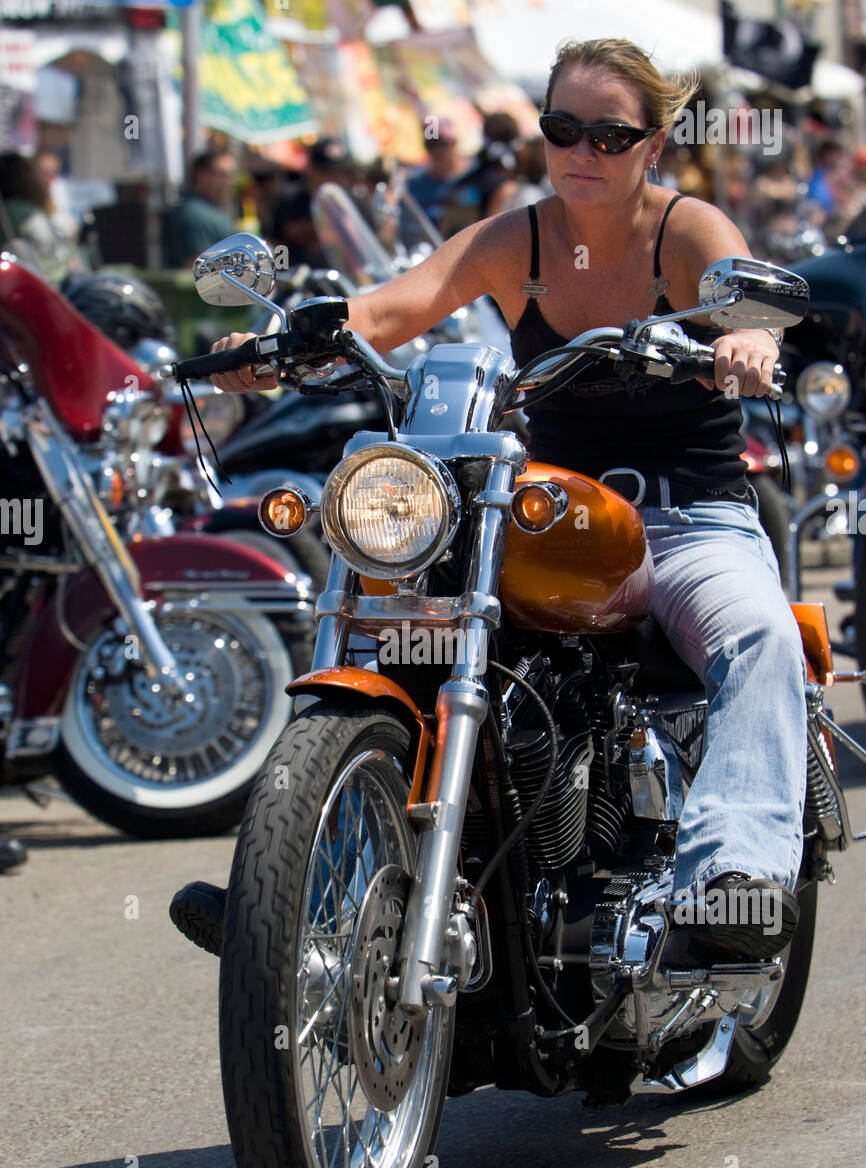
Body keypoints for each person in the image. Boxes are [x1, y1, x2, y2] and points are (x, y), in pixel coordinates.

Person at [208, 38, 807, 965]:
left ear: (652, 146)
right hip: (548, 521)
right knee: (405, 614)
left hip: (687, 520)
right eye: (563, 128)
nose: (584, 151)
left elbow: (743, 293)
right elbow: (391, 309)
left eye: (611, 134)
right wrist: (283, 341)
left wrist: (749, 342)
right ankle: (292, 887)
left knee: (760, 635)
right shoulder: (513, 240)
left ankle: (733, 880)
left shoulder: (686, 231)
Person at [0, 151, 88, 284]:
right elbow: (50, 251)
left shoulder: (9, 212)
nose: (49, 181)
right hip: (54, 284)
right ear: (28, 179)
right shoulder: (26, 213)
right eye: (44, 174)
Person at [165, 150, 237, 269]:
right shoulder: (196, 215)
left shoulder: (208, 210)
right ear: (201, 175)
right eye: (223, 175)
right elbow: (197, 267)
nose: (228, 182)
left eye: (231, 176)